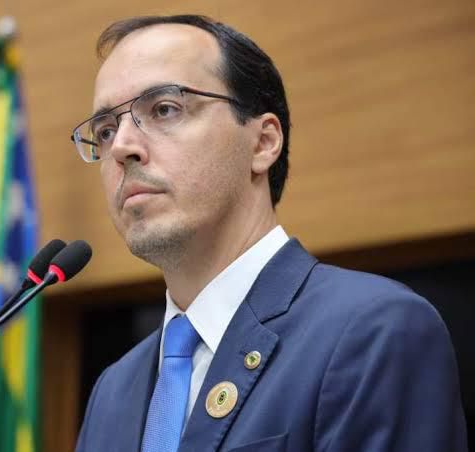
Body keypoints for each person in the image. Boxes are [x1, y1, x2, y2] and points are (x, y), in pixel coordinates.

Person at [70, 15, 467, 452]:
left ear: (262, 143)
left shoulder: (374, 330)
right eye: (105, 131)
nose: (122, 147)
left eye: (164, 109)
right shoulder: (113, 391)